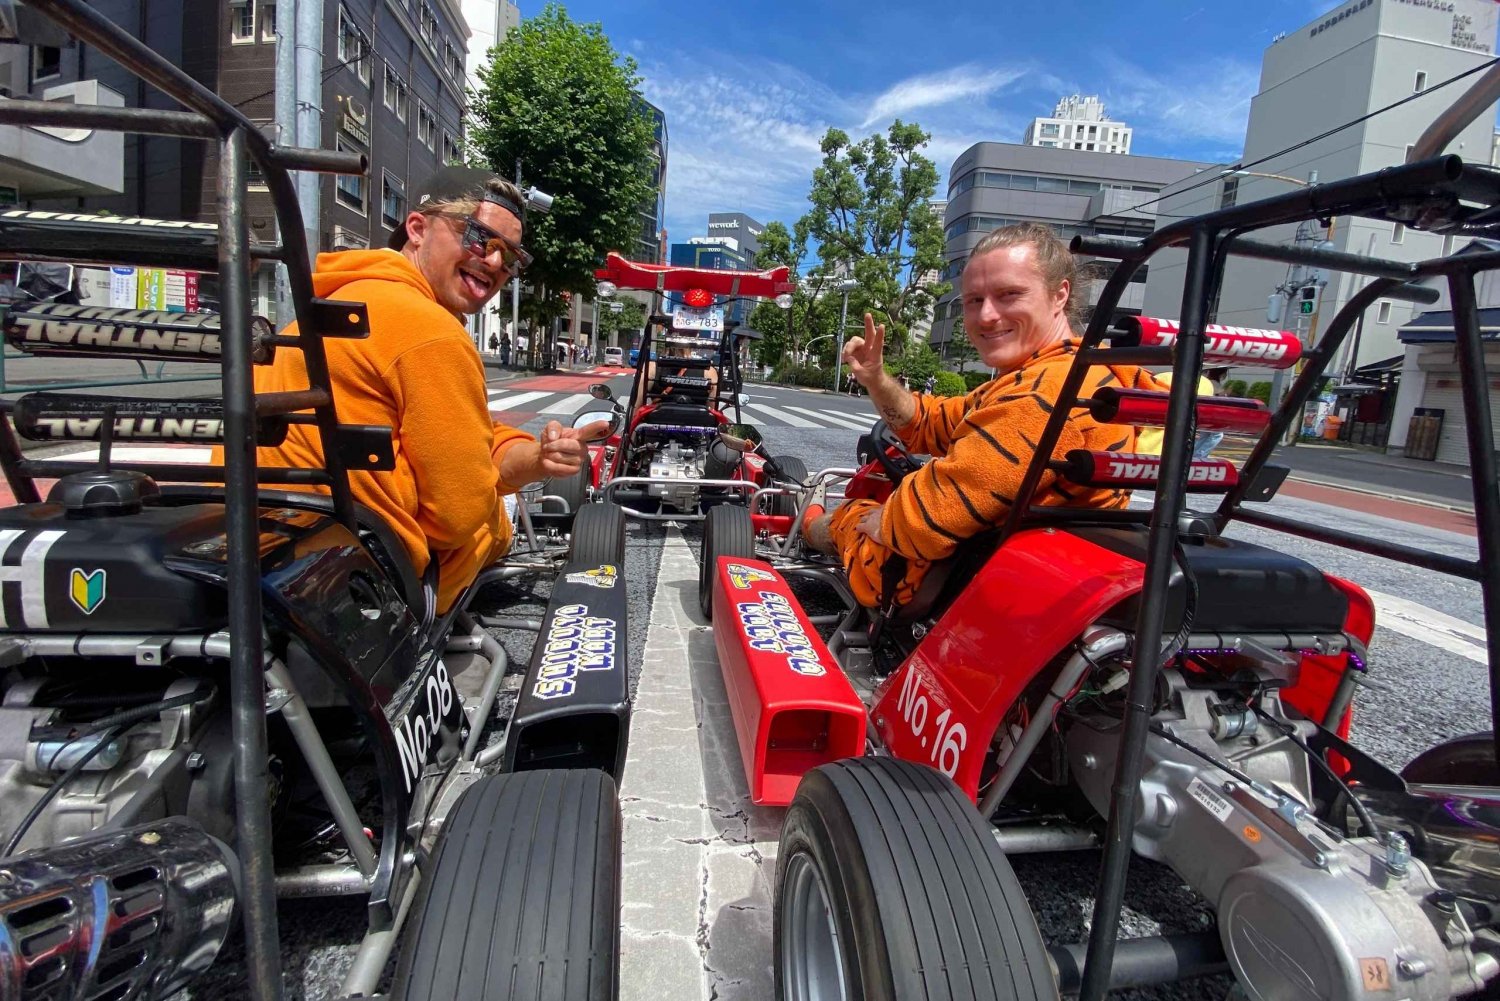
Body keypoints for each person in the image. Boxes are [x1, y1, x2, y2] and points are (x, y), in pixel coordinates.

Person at [238, 166, 607, 613]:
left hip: (256, 539)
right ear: (417, 228)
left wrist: (536, 458)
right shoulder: (430, 331)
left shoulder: (327, 308)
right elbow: (455, 517)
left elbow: (457, 441)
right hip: (359, 578)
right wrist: (495, 510)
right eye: (479, 237)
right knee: (489, 524)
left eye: (510, 257)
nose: (493, 262)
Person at [802, 222, 1160, 609]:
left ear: (1059, 295)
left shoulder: (1044, 395)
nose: (987, 315)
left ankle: (807, 520)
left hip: (936, 580)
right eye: (974, 300)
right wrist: (874, 378)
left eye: (1009, 295)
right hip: (1027, 560)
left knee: (850, 515)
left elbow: (923, 521)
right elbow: (927, 422)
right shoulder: (1055, 376)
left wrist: (882, 518)